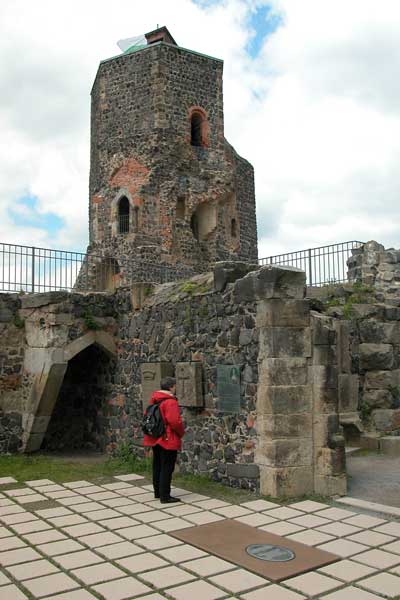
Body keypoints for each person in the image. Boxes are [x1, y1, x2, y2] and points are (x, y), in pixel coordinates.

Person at [143, 376, 185, 503]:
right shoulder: (170, 401)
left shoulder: (154, 399)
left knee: (157, 465)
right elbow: (174, 421)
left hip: (155, 437)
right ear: (171, 387)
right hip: (167, 438)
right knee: (167, 467)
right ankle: (165, 495)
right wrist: (181, 433)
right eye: (175, 386)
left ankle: (158, 492)